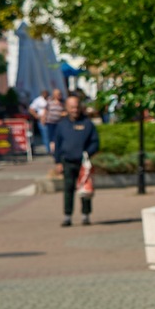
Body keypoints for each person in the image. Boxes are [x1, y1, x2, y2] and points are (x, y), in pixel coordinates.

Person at [49, 93, 99, 227]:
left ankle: (85, 215)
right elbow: (57, 144)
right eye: (71, 107)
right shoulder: (62, 125)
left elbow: (95, 142)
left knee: (85, 190)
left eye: (76, 107)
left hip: (83, 163)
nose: (74, 110)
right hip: (68, 162)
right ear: (66, 108)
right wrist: (58, 161)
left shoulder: (87, 123)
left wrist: (88, 153)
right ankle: (67, 216)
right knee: (68, 189)